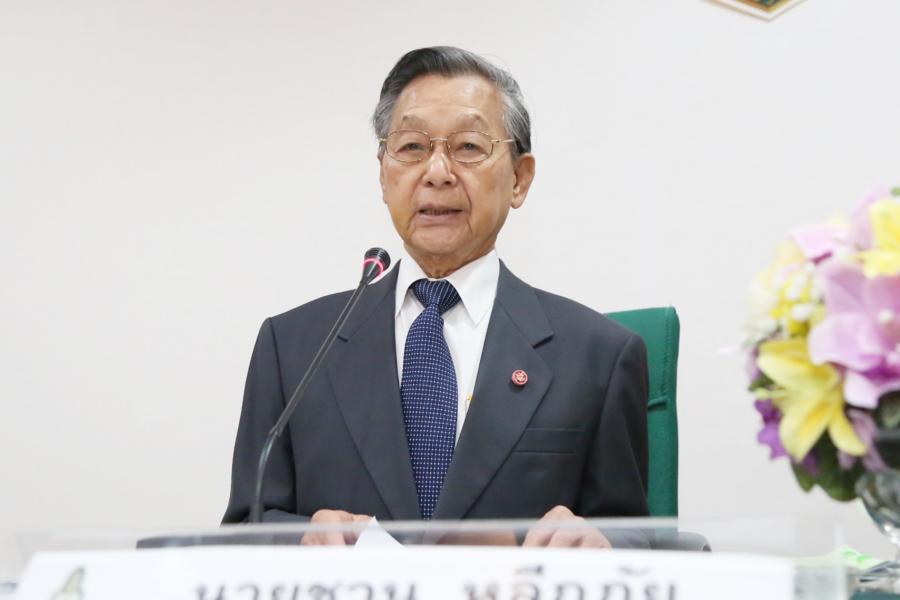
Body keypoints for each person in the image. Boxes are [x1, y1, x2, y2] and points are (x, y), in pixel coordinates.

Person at [223, 46, 650, 548]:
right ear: (383, 173)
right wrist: (302, 542)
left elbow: (641, 538)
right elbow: (246, 528)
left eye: (468, 146)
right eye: (411, 147)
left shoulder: (599, 356)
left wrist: (601, 545)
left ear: (519, 179)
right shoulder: (293, 348)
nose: (438, 171)